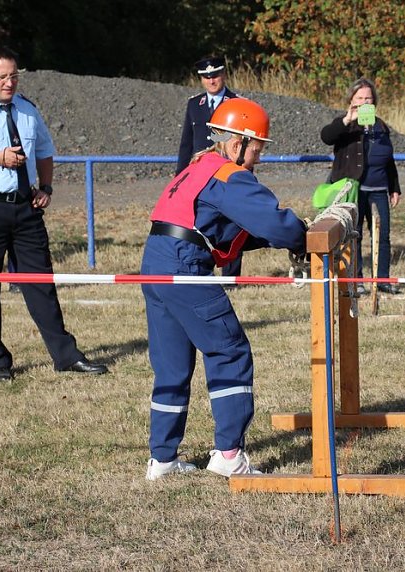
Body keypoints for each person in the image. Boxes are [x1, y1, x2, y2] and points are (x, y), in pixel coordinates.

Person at [143, 98, 307, 480]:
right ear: (238, 144)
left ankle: (162, 460)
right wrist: (301, 234)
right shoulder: (228, 175)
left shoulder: (198, 167)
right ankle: (229, 455)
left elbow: (230, 230)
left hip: (156, 260)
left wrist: (275, 236)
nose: (258, 159)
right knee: (230, 350)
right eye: (258, 150)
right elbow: (275, 223)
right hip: (184, 264)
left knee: (171, 364)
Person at [0, 46, 107, 381]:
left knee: (41, 284)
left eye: (14, 76)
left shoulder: (28, 110)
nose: (9, 82)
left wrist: (46, 188)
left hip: (25, 207)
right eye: (1, 77)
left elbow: (44, 151)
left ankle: (65, 356)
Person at [320, 78, 402, 295]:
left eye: (368, 98)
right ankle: (356, 280)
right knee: (354, 236)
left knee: (382, 235)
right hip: (354, 189)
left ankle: (382, 280)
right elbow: (326, 136)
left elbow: (388, 159)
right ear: (351, 100)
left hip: (378, 189)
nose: (364, 102)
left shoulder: (381, 126)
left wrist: (394, 187)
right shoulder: (345, 124)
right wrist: (349, 119)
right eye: (360, 98)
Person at [176, 56, 244, 280]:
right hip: (198, 174)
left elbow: (240, 141)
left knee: (231, 222)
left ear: (223, 75)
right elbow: (187, 142)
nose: (211, 80)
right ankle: (204, 270)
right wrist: (180, 177)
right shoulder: (195, 104)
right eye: (206, 77)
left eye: (214, 75)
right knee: (201, 224)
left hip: (226, 171)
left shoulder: (237, 103)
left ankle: (231, 277)